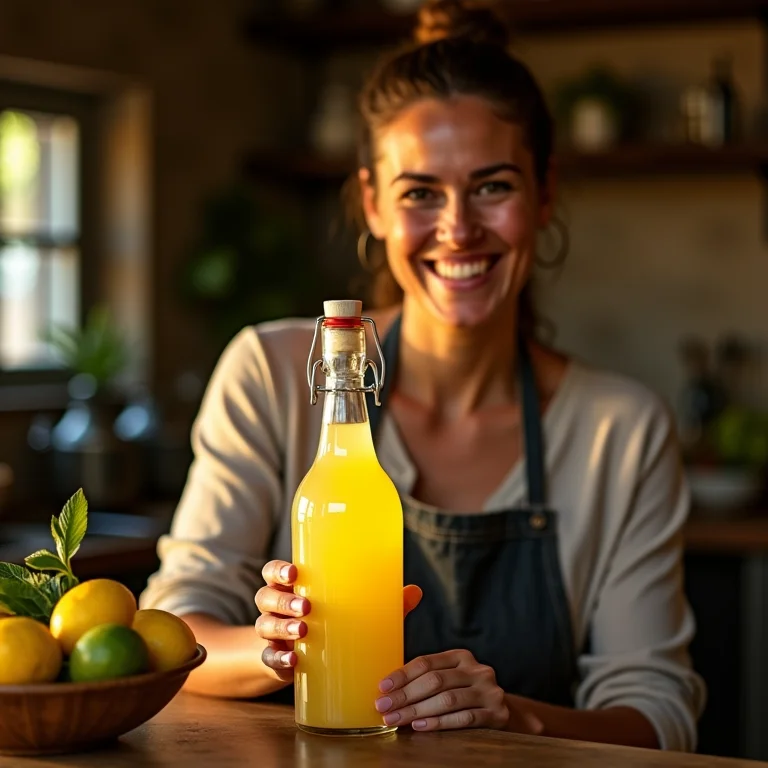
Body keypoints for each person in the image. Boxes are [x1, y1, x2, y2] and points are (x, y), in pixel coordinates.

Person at [140, 0, 705, 751]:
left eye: (493, 186)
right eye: (420, 193)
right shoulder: (272, 375)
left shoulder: (620, 431)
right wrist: (278, 649)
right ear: (372, 202)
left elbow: (659, 714)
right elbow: (173, 626)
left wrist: (512, 714)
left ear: (545, 194)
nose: (457, 228)